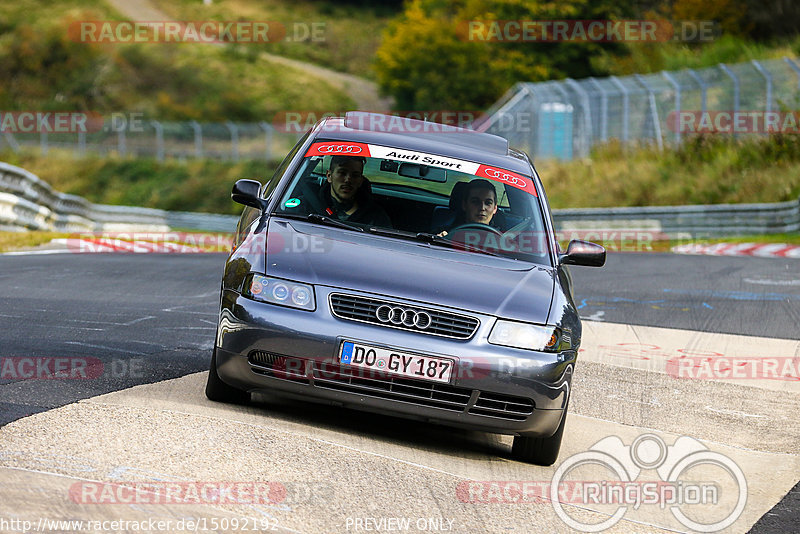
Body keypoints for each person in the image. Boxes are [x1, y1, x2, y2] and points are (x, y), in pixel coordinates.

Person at [318, 155, 392, 227]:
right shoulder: (310, 203)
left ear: (360, 181)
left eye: (355, 175)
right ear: (329, 176)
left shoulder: (377, 217)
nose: (348, 180)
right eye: (342, 173)